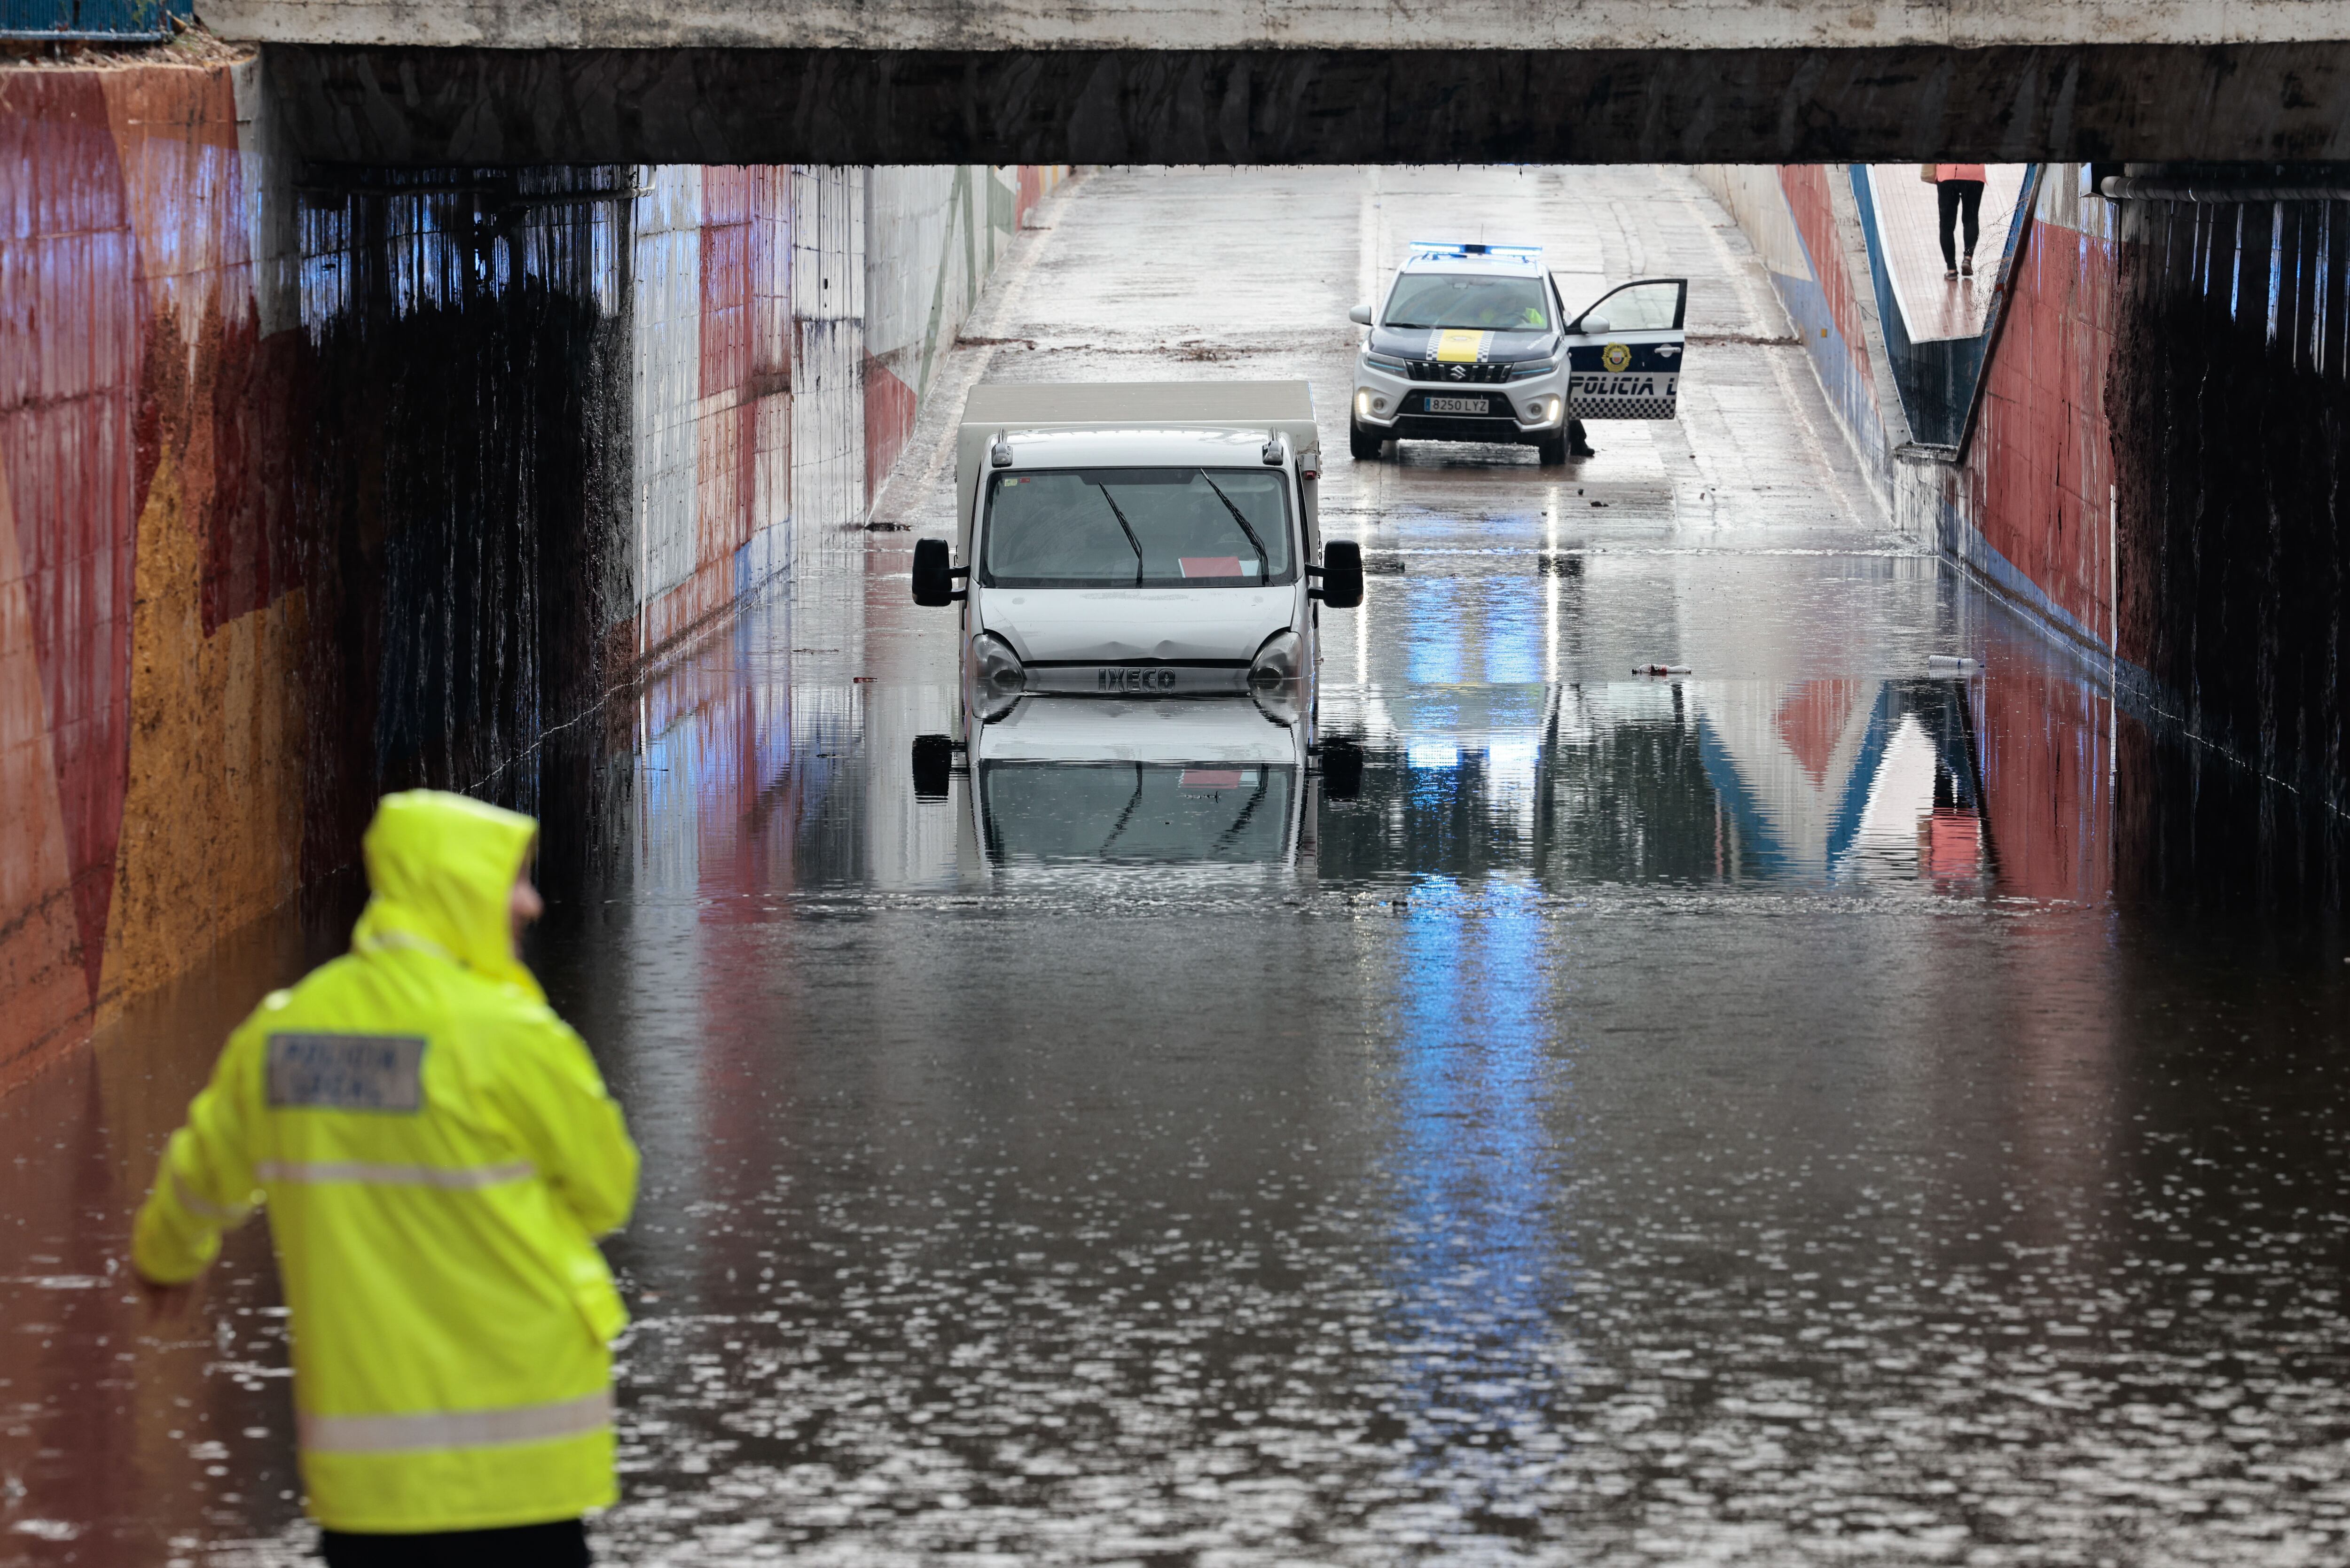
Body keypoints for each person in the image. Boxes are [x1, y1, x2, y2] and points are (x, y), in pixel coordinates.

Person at [131, 790, 640, 1568]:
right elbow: (607, 1193)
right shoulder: (513, 1036)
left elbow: (202, 1171)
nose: (532, 903)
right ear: (458, 889)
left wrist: (167, 1257)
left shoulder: (287, 1033)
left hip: (369, 1482)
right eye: (515, 879)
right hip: (525, 1462)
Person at [1934, 163, 1988, 281]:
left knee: (1946, 225)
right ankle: (1968, 258)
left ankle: (1951, 269)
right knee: (1971, 219)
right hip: (1974, 173)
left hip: (1947, 174)